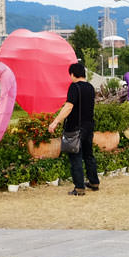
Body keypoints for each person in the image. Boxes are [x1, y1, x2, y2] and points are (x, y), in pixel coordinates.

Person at [48, 62, 99, 196]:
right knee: (88, 155)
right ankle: (94, 182)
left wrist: (55, 122)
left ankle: (79, 188)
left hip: (76, 128)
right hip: (89, 126)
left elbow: (69, 107)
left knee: (75, 156)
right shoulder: (90, 87)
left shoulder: (74, 87)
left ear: (72, 74)